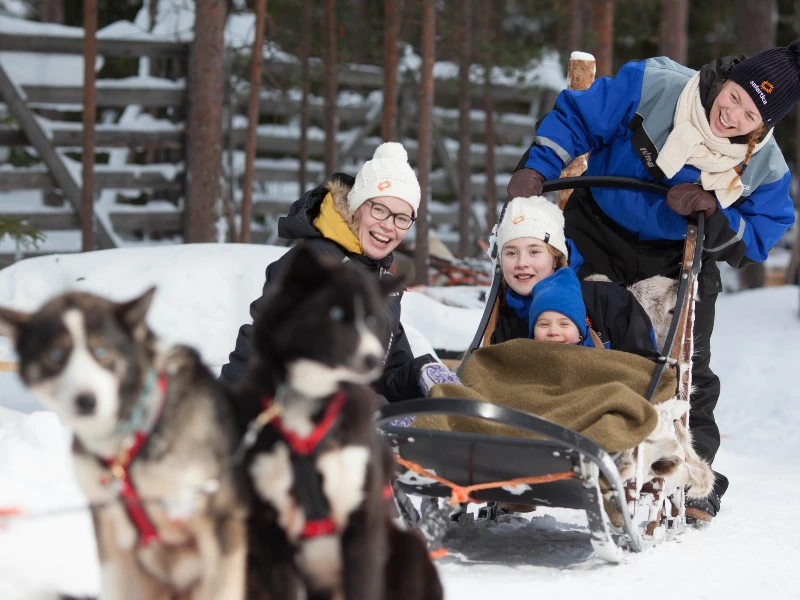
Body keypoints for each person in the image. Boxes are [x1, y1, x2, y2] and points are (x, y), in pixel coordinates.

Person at [506, 43, 800, 521]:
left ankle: (692, 473)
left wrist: (715, 213)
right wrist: (535, 167)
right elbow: (579, 117)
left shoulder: (765, 165)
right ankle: (525, 442)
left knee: (687, 361)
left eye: (750, 115)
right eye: (733, 96)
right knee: (553, 323)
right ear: (724, 79)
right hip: (597, 226)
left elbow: (761, 236)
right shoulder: (655, 86)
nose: (732, 115)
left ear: (764, 125)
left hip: (679, 251)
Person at [219, 142, 458, 402]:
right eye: (379, 210)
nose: (388, 226)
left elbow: (385, 371)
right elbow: (276, 354)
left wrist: (420, 372)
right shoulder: (316, 265)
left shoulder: (381, 277)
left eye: (402, 218)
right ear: (356, 207)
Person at [490, 195, 658, 357]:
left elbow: (643, 367)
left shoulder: (611, 302)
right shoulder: (505, 320)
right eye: (511, 253)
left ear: (556, 258)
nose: (521, 263)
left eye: (534, 251)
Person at [529, 267, 597, 347]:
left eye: (564, 324)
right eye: (544, 324)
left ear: (579, 332)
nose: (553, 332)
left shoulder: (599, 353)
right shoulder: (520, 354)